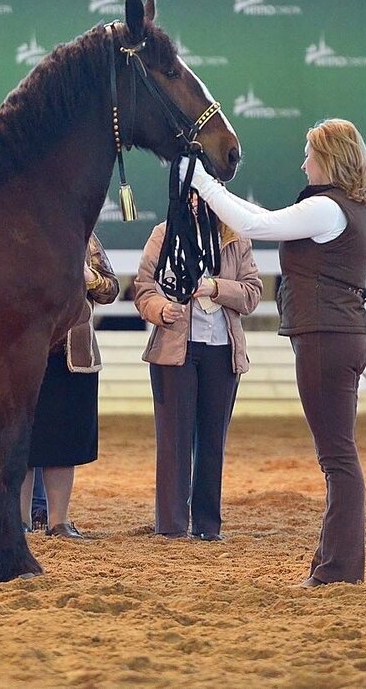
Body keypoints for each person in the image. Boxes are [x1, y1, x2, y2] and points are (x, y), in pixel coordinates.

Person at [184, 119, 366, 586]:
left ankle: (338, 568)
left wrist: (201, 180)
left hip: (326, 336)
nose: (303, 162)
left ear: (329, 159)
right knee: (338, 454)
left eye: (309, 154)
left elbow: (256, 223)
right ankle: (334, 562)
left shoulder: (326, 209)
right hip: (339, 333)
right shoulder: (345, 208)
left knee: (337, 457)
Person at [133, 199, 262, 541]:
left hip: (223, 350)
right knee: (173, 441)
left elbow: (252, 294)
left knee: (211, 442)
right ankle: (172, 526)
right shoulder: (163, 235)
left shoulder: (236, 239)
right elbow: (143, 289)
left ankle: (207, 526)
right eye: (190, 194)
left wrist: (216, 288)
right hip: (175, 350)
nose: (196, 202)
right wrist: (161, 309)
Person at [20, 234, 118, 539]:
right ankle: (18, 521)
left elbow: (111, 289)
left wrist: (90, 277)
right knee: (21, 441)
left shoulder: (84, 237)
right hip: (24, 352)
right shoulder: (16, 232)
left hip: (72, 356)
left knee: (64, 443)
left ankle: (58, 521)